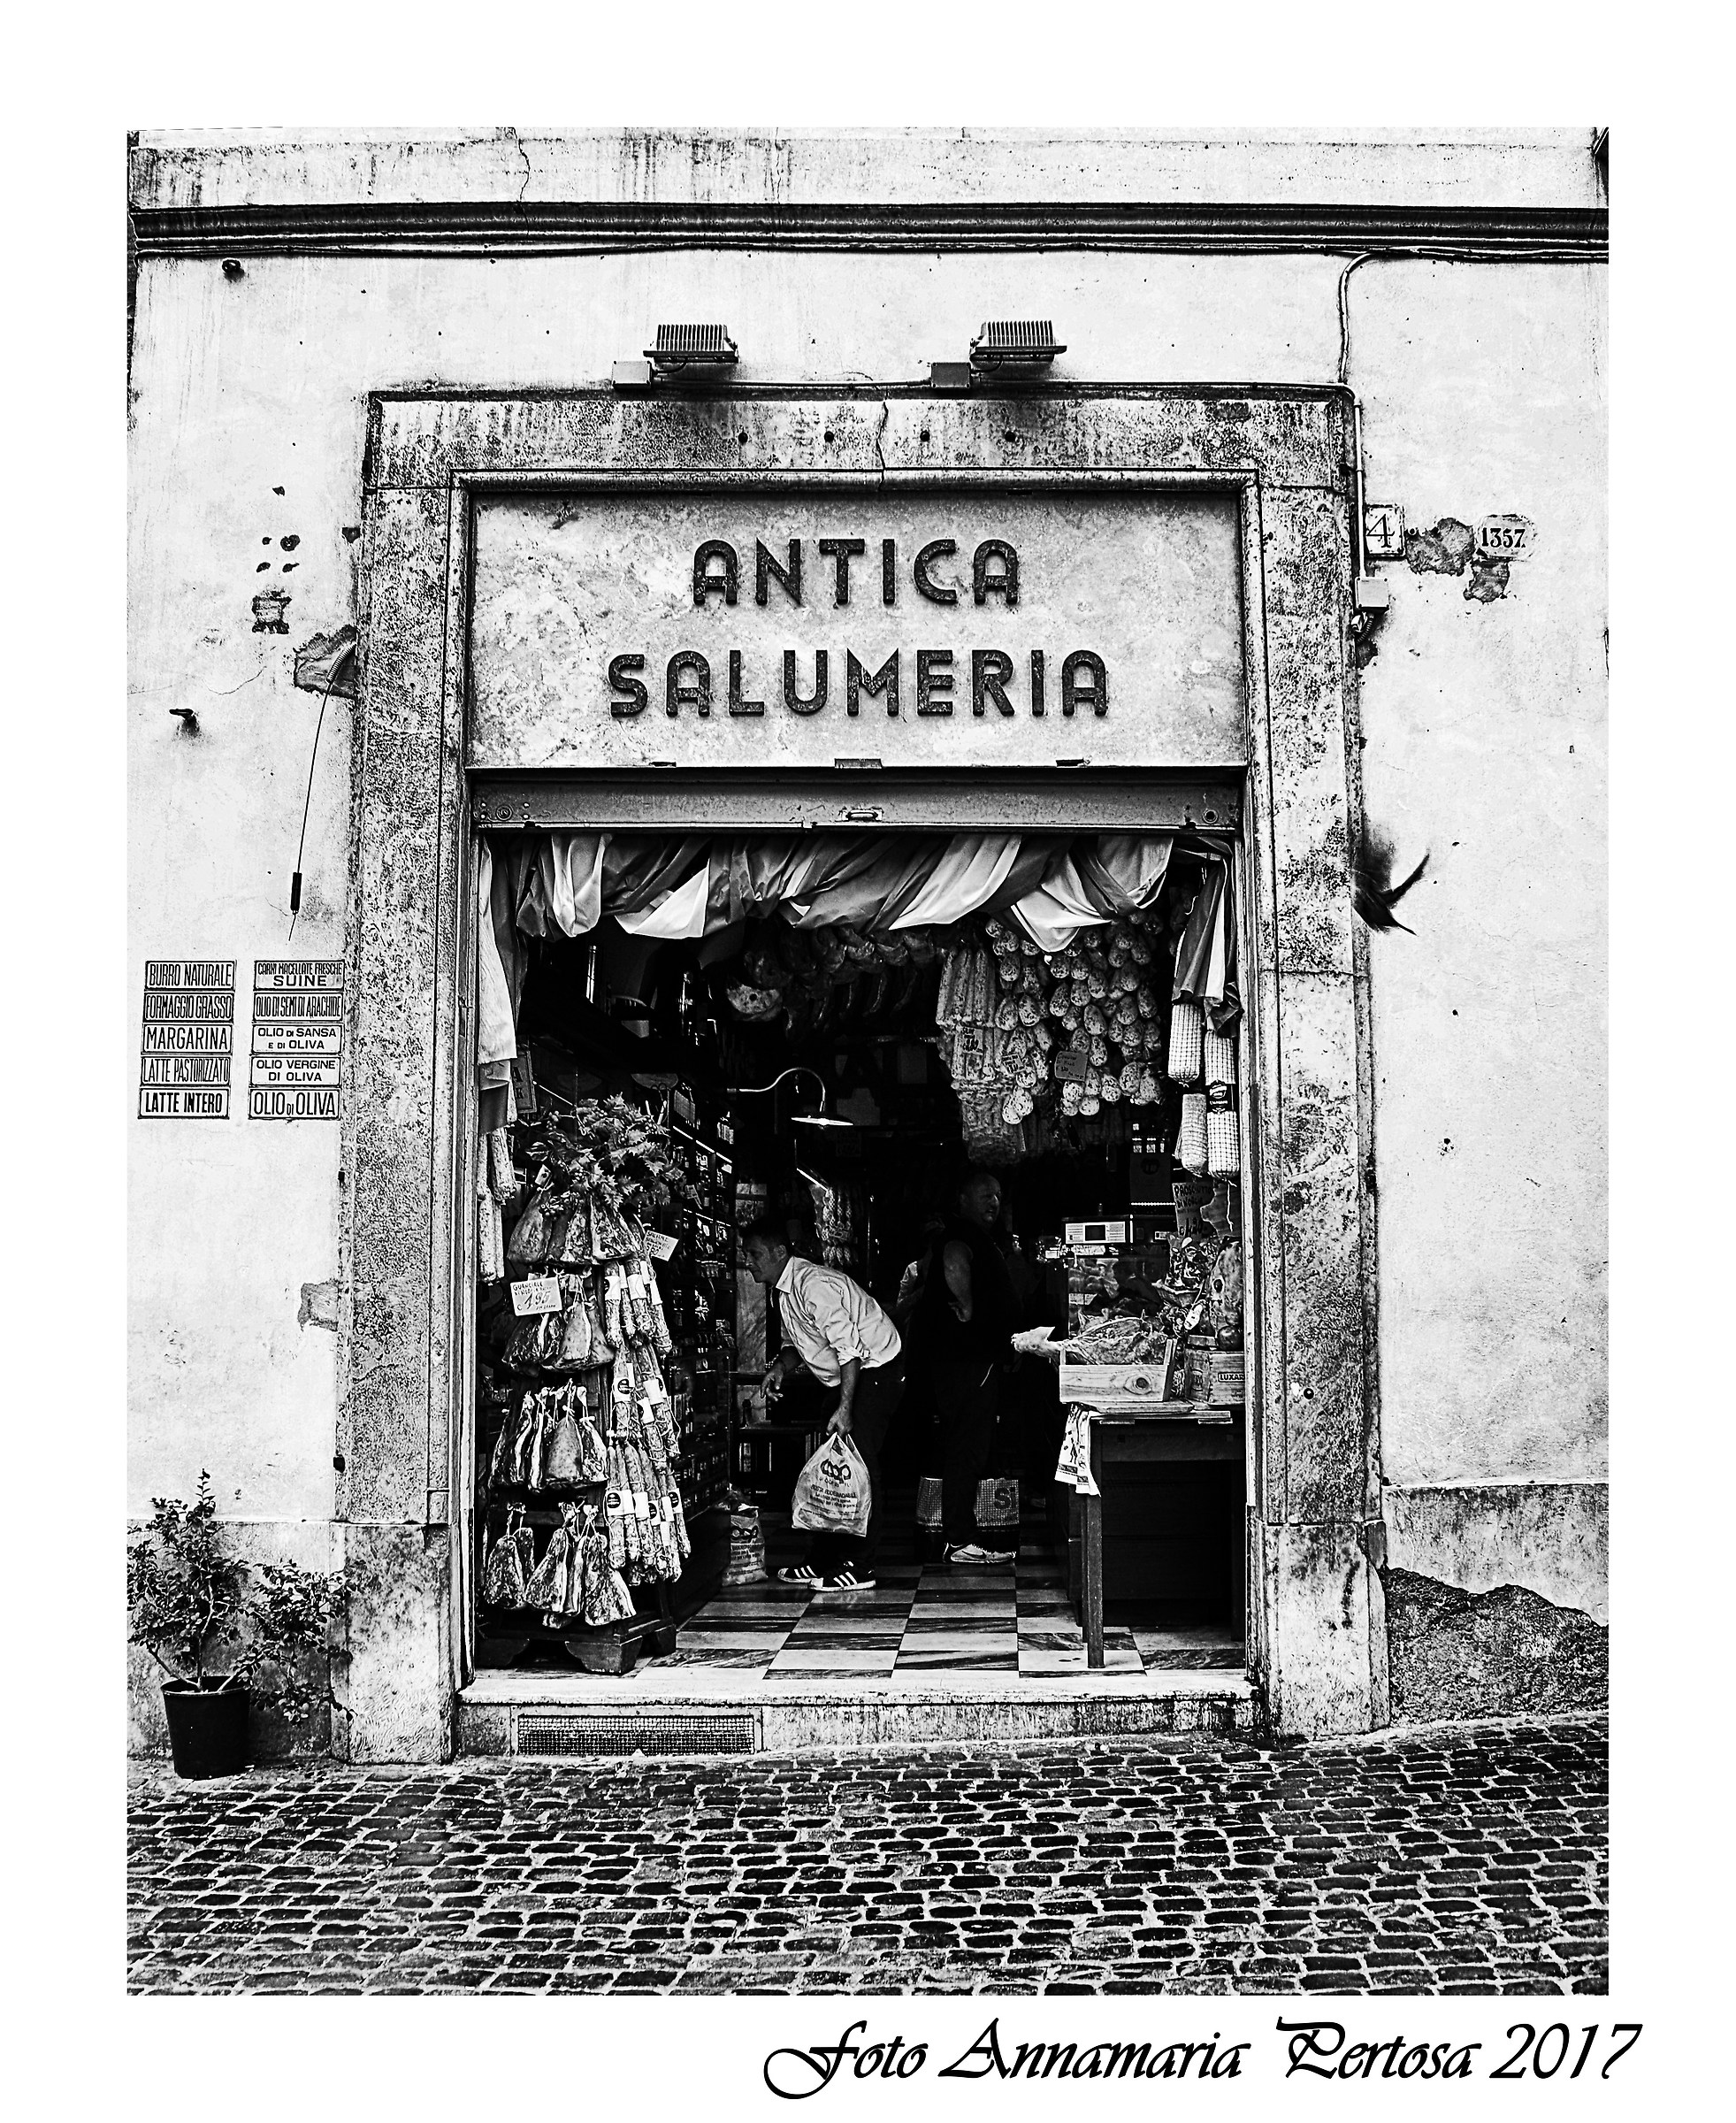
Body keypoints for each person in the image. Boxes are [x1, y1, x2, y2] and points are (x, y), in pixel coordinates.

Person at [740, 1221, 906, 1594]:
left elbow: (849, 1350)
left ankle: (862, 1565)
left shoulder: (814, 1285)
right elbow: (800, 1344)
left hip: (875, 1370)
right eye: (746, 1254)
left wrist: (845, 1409)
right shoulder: (782, 1292)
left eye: (754, 1254)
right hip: (845, 1378)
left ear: (780, 1253)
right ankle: (824, 1557)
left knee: (860, 1466)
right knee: (831, 1470)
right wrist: (779, 1369)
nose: (748, 1262)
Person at [914, 1169, 1020, 1566]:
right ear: (962, 1199)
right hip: (968, 1360)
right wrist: (971, 1305)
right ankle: (959, 1538)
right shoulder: (960, 1234)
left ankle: (961, 1533)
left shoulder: (976, 1235)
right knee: (966, 1447)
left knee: (968, 1445)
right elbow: (954, 1261)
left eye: (996, 1195)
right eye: (984, 1196)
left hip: (971, 1359)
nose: (993, 1202)